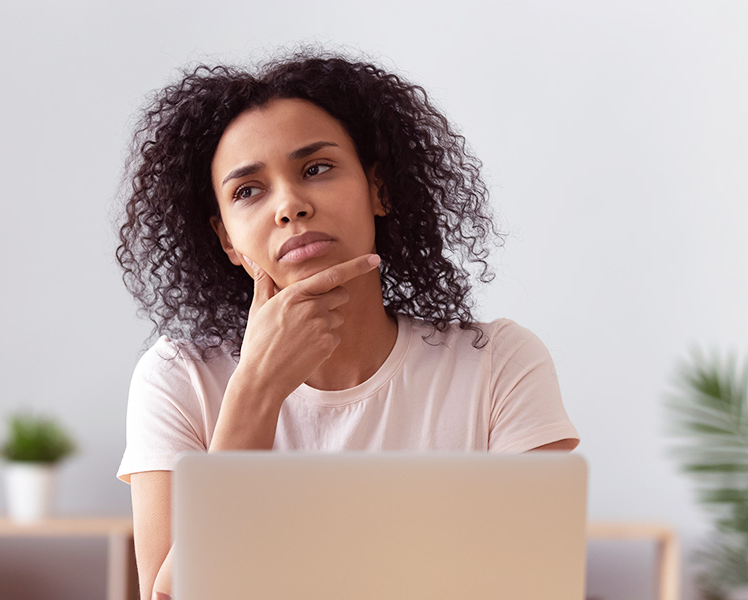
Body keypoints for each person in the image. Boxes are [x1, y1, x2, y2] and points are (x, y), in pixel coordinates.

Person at [114, 49, 580, 600]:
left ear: (379, 190)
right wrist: (255, 393)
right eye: (248, 191)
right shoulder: (179, 380)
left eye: (316, 169)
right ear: (226, 240)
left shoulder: (498, 364)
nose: (289, 205)